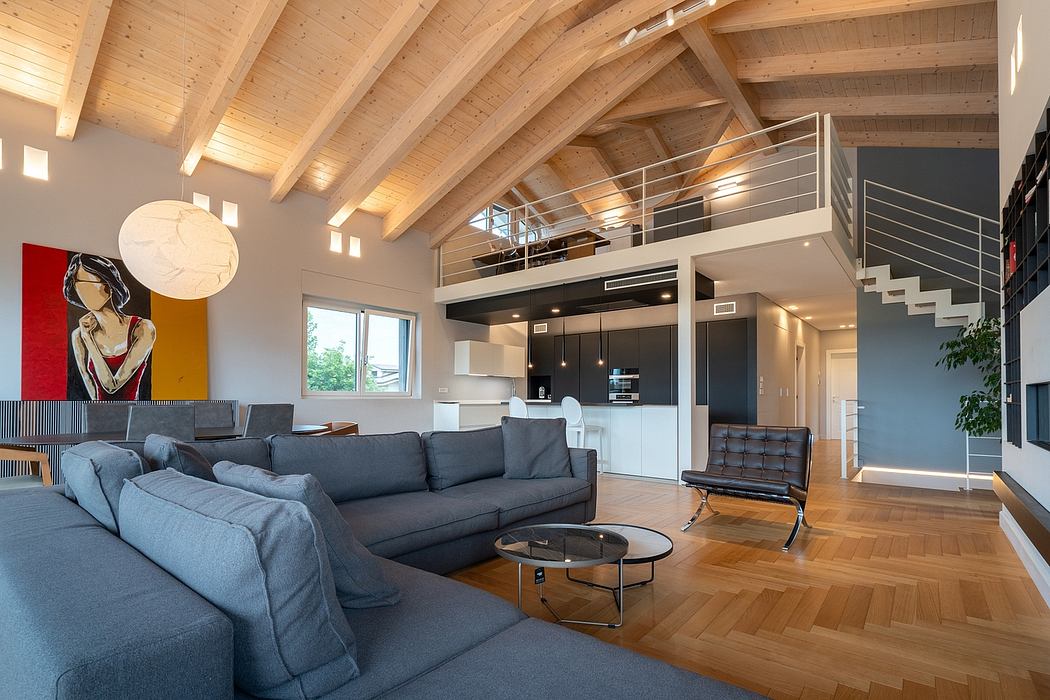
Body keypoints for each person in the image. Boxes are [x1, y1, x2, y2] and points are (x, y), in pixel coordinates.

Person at [63, 253, 156, 400]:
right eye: (77, 284)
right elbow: (92, 390)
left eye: (87, 283)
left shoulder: (143, 328)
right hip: (99, 417)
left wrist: (88, 339)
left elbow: (111, 386)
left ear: (108, 285)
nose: (83, 291)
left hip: (134, 414)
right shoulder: (78, 335)